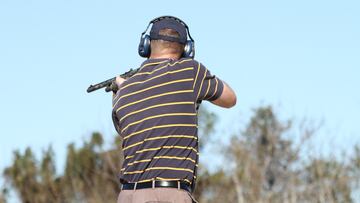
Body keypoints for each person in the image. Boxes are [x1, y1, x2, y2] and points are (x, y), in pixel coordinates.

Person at [112, 16, 236, 203]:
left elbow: (129, 135)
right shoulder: (190, 71)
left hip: (128, 196)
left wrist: (120, 90)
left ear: (146, 45)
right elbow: (230, 99)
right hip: (170, 195)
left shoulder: (123, 92)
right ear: (187, 49)